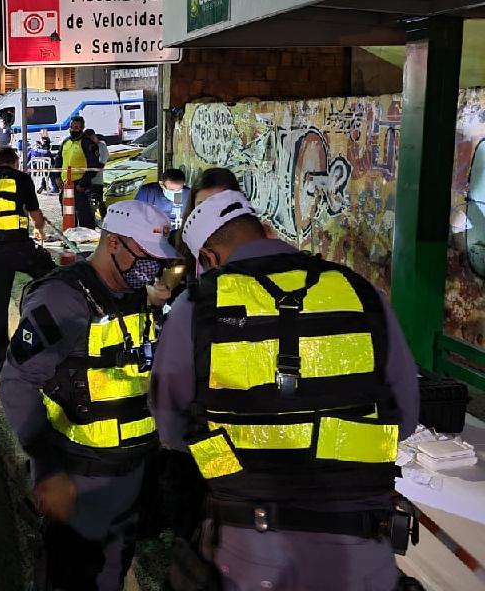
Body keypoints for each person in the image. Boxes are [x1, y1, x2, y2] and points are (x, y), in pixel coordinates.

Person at [151, 189, 420, 591]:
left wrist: (231, 461)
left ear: (207, 258)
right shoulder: (362, 294)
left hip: (248, 552)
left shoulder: (197, 305)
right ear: (265, 230)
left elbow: (171, 431)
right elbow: (406, 417)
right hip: (361, 548)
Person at [0, 201, 179, 590]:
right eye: (145, 258)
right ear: (112, 242)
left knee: (112, 573)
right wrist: (48, 468)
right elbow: (17, 382)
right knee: (70, 578)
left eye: (158, 261)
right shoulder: (62, 300)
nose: (153, 268)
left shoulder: (133, 294)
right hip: (79, 476)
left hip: (131, 472)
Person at [0, 146, 54, 372]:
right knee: (53, 279)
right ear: (15, 162)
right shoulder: (21, 179)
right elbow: (36, 214)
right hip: (18, 248)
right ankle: (48, 337)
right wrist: (40, 229)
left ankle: (0, 360)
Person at [60, 116, 102, 229]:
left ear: (82, 128)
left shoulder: (88, 144)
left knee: (84, 214)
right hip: (66, 184)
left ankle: (87, 237)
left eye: (76, 127)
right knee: (68, 213)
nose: (73, 129)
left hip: (80, 184)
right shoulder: (65, 142)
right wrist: (57, 179)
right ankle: (70, 235)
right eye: (71, 127)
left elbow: (93, 165)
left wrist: (83, 183)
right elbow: (59, 161)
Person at [84, 129, 110, 220]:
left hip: (97, 179)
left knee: (99, 200)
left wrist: (92, 173)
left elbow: (102, 161)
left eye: (92, 137)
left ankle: (106, 219)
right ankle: (91, 219)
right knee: (87, 201)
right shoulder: (86, 147)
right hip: (86, 179)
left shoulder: (101, 146)